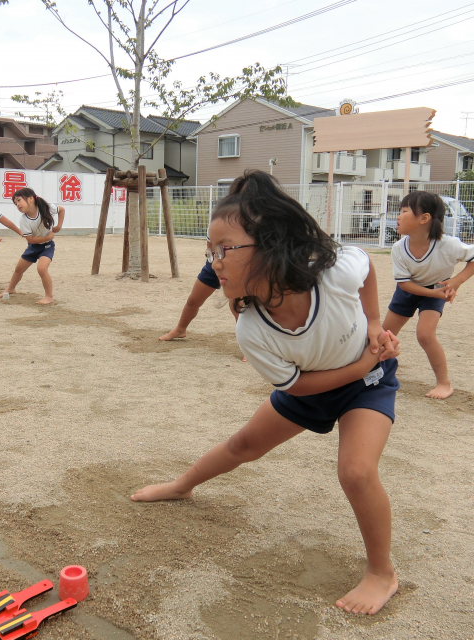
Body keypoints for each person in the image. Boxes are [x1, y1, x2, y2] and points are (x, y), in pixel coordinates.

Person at [132, 171, 401, 616]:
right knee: (242, 445)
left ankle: (381, 573)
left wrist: (374, 323)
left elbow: (367, 265)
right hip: (323, 383)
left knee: (356, 471)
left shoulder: (331, 274)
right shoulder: (252, 330)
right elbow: (299, 385)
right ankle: (182, 486)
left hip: (366, 387)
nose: (214, 261)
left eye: (224, 249)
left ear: (271, 243)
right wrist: (366, 361)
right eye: (209, 252)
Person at [382, 191, 474, 399]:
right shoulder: (398, 248)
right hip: (412, 291)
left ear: (424, 218)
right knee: (384, 334)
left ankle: (444, 383)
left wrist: (456, 281)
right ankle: (373, 373)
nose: (398, 216)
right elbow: (404, 284)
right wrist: (434, 293)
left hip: (435, 291)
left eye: (404, 211)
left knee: (425, 334)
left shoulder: (448, 244)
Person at [0, 188, 64, 304]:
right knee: (18, 269)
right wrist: (47, 237)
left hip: (47, 247)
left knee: (42, 268)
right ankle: (10, 289)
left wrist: (58, 226)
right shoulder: (23, 220)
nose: (17, 205)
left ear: (31, 199)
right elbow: (31, 240)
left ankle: (49, 296)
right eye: (15, 203)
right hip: (33, 247)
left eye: (19, 200)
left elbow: (61, 210)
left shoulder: (45, 207)